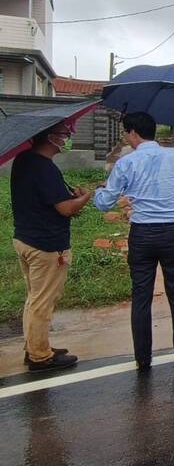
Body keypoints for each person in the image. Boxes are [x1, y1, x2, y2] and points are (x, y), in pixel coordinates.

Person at [94, 113, 174, 372]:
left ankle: (143, 358)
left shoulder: (126, 162)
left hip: (142, 234)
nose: (125, 137)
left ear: (133, 133)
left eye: (126, 133)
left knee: (141, 296)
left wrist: (97, 193)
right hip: (173, 232)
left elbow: (105, 202)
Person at [11, 122, 91, 372]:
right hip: (45, 245)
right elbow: (65, 209)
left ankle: (35, 346)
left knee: (34, 299)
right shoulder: (43, 168)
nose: (67, 139)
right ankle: (40, 357)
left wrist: (71, 195)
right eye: (65, 134)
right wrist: (85, 197)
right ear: (50, 136)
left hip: (26, 239)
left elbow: (50, 198)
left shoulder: (25, 160)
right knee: (42, 302)